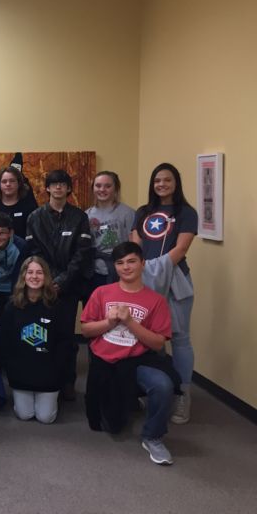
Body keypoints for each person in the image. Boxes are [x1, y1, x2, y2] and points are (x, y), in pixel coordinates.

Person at [81, 242, 181, 465]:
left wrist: (129, 322)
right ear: (115, 267)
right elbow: (86, 330)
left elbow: (157, 343)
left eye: (131, 261)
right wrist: (110, 321)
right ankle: (130, 401)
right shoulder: (101, 293)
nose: (126, 267)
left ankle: (153, 436)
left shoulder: (155, 300)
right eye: (120, 263)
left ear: (142, 264)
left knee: (163, 385)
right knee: (112, 426)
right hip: (105, 361)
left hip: (138, 361)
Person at [130, 162, 197, 424]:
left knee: (179, 338)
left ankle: (182, 394)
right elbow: (135, 244)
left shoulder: (186, 212)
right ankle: (153, 389)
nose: (162, 185)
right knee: (147, 336)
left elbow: (180, 249)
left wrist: (155, 269)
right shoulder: (144, 211)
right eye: (157, 180)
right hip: (143, 277)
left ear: (176, 183)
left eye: (167, 180)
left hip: (175, 279)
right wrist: (139, 268)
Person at [25, 169, 93, 400]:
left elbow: (82, 254)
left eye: (62, 185)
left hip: (69, 287)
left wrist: (61, 282)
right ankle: (44, 380)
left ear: (68, 188)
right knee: (42, 335)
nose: (58, 188)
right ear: (47, 188)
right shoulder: (35, 217)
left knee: (66, 337)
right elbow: (33, 251)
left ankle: (67, 384)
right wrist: (47, 280)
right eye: (53, 185)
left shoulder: (79, 217)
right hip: (41, 286)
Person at [0, 257, 71, 424]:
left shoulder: (57, 306)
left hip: (49, 372)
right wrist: (11, 368)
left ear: (46, 277)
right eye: (30, 272)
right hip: (21, 372)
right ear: (23, 276)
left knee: (46, 418)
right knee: (25, 415)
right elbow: (4, 341)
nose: (34, 277)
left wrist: (57, 369)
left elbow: (66, 342)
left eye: (39, 272)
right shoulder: (12, 306)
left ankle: (51, 398)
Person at [86, 171, 135, 289]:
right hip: (95, 272)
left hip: (121, 270)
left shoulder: (127, 213)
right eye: (98, 186)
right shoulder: (86, 215)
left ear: (116, 188)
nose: (102, 189)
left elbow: (134, 243)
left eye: (107, 186)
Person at [0, 166, 39, 239]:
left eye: (12, 181)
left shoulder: (30, 208)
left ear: (19, 183)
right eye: (4, 181)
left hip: (25, 249)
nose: (8, 184)